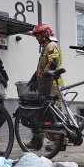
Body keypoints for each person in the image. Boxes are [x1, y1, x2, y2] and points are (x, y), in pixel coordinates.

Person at [25, 24, 65, 152]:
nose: (36, 37)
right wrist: (34, 79)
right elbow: (41, 67)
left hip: (53, 84)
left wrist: (44, 75)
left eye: (37, 34)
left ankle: (61, 142)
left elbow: (54, 63)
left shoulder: (51, 46)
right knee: (42, 113)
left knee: (55, 113)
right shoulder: (45, 48)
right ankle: (36, 141)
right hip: (46, 84)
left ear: (45, 34)